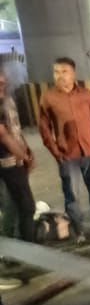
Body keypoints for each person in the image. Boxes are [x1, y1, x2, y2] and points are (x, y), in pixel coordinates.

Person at [37, 57, 90, 243]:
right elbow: (44, 129)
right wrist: (56, 152)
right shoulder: (48, 97)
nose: (60, 76)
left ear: (73, 73)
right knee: (72, 196)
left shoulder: (86, 95)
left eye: (64, 72)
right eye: (56, 72)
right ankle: (79, 232)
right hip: (67, 156)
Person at [0, 71, 36, 242]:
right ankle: (25, 246)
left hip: (16, 159)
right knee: (24, 206)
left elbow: (15, 130)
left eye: (2, 78)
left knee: (15, 206)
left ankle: (14, 246)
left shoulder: (7, 101)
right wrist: (24, 156)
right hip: (7, 162)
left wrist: (27, 150)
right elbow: (4, 136)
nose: (2, 82)